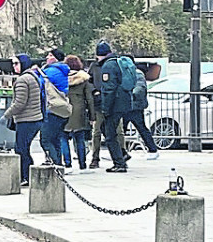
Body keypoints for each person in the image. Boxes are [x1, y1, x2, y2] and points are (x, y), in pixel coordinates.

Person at [4, 53, 44, 176]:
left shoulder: (22, 80)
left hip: (27, 119)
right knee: (24, 148)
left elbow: (19, 103)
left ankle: (26, 175)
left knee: (21, 149)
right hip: (35, 118)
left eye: (16, 63)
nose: (14, 67)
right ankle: (27, 174)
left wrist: (6, 115)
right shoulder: (33, 77)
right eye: (13, 64)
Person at [94, 40, 130, 172]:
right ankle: (122, 154)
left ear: (99, 55)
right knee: (106, 128)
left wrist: (105, 108)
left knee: (109, 135)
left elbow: (109, 89)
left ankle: (119, 163)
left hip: (114, 105)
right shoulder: (117, 62)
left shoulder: (108, 67)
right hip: (123, 103)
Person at [39, 50, 72, 168]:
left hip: (51, 109)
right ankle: (58, 163)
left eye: (51, 55)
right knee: (56, 140)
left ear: (56, 58)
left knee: (45, 140)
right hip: (60, 109)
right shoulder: (62, 70)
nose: (47, 57)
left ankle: (54, 164)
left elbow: (39, 82)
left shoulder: (52, 71)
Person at [123, 57, 160, 160]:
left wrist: (129, 94)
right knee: (122, 129)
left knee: (141, 128)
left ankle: (153, 149)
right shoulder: (127, 73)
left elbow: (140, 87)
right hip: (128, 105)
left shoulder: (137, 73)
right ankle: (121, 151)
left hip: (135, 106)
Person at [64, 55, 94, 170]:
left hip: (65, 108)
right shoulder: (84, 79)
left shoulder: (62, 78)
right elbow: (89, 98)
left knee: (63, 138)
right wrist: (92, 116)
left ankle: (67, 163)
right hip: (79, 110)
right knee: (80, 139)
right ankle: (82, 164)